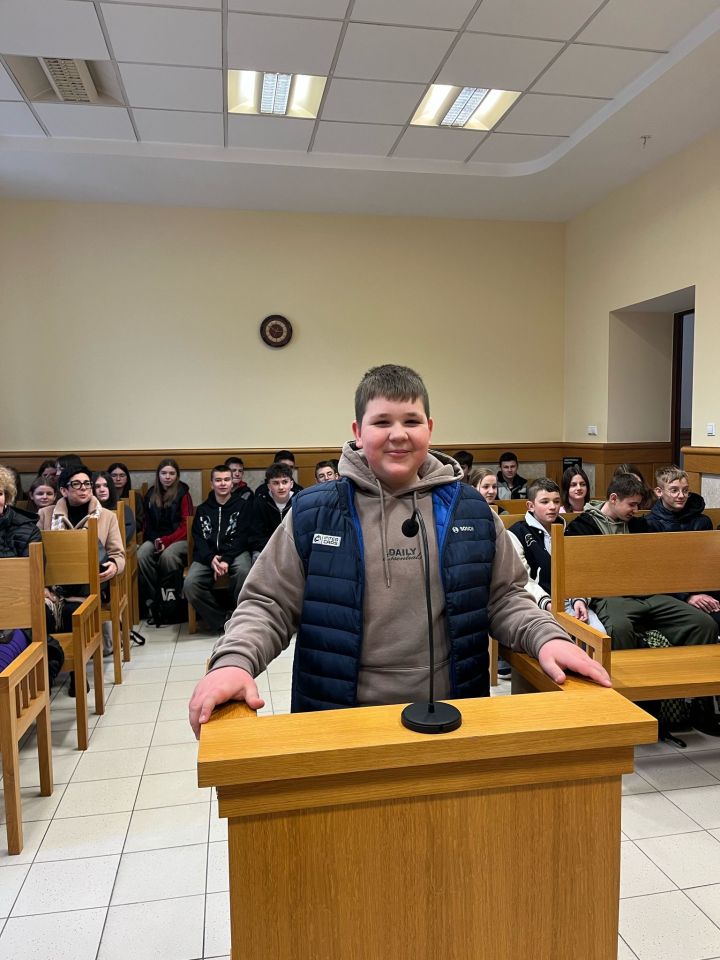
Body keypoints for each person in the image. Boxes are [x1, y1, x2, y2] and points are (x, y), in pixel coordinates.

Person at [189, 364, 609, 736]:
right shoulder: (314, 512)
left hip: (451, 714)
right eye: (381, 422)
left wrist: (546, 637)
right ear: (357, 431)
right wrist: (234, 662)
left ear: (429, 427)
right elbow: (268, 604)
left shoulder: (469, 509)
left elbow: (504, 597)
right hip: (337, 718)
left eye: (411, 420)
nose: (398, 434)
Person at [565, 473, 719, 734]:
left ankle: (691, 702)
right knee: (620, 628)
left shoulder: (639, 525)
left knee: (702, 623)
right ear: (614, 499)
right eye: (632, 505)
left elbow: (655, 564)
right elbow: (577, 571)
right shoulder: (582, 527)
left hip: (648, 593)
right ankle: (632, 704)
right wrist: (582, 597)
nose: (636, 510)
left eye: (638, 505)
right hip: (609, 595)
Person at [37, 464, 126, 673]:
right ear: (64, 490)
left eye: (87, 484)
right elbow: (36, 555)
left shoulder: (106, 516)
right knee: (42, 611)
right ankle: (52, 666)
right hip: (55, 587)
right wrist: (43, 586)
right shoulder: (46, 515)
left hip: (92, 585)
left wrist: (114, 566)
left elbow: (118, 555)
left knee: (72, 611)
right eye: (76, 484)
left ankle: (76, 674)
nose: (84, 488)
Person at [507, 477, 605, 630]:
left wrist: (579, 599)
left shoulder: (570, 530)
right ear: (531, 506)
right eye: (545, 502)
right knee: (557, 637)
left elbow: (580, 571)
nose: (552, 507)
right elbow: (522, 580)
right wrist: (547, 603)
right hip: (535, 604)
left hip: (570, 601)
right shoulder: (516, 533)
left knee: (598, 633)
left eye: (556, 501)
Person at [0, 466, 60, 678]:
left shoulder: (26, 528)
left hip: (23, 608)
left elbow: (31, 579)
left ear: (6, 497)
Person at [646, 465, 720, 624]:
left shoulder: (702, 521)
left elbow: (707, 563)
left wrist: (704, 591)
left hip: (704, 585)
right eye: (674, 490)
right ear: (659, 492)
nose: (681, 495)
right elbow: (656, 570)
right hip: (671, 591)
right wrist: (688, 596)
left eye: (685, 490)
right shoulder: (650, 524)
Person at [184, 464, 253, 632]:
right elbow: (198, 538)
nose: (223, 483)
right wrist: (210, 558)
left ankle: (239, 616)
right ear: (211, 484)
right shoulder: (203, 509)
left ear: (232, 483)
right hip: (208, 555)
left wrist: (226, 559)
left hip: (235, 552)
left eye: (227, 480)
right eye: (218, 480)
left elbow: (243, 537)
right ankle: (221, 619)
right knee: (190, 584)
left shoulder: (243, 505)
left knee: (244, 572)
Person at [137, 458, 193, 621]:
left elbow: (186, 526)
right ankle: (154, 599)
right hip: (156, 539)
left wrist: (166, 541)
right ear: (158, 475)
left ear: (177, 475)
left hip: (179, 539)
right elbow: (147, 524)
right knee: (142, 555)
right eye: (164, 473)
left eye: (171, 473)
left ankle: (171, 603)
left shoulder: (183, 493)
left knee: (168, 556)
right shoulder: (151, 494)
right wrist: (156, 541)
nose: (167, 477)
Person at [249, 463, 294, 559]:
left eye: (285, 482)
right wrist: (275, 549)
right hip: (267, 548)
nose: (281, 487)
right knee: (257, 556)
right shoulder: (260, 502)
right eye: (276, 483)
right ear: (269, 486)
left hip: (293, 548)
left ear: (291, 484)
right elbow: (256, 536)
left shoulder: (299, 501)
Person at [93, 471, 135, 542]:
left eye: (105, 485)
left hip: (117, 546)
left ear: (111, 488)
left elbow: (127, 534)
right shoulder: (88, 509)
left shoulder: (124, 508)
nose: (102, 490)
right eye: (97, 486)